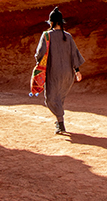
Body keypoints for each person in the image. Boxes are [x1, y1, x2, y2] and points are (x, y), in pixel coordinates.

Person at [34, 7, 85, 135]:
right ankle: (59, 120)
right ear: (61, 22)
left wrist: (39, 65)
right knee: (60, 97)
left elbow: (39, 54)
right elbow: (75, 54)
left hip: (54, 73)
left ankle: (60, 122)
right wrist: (77, 71)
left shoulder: (47, 35)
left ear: (51, 22)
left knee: (50, 98)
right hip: (68, 74)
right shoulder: (68, 36)